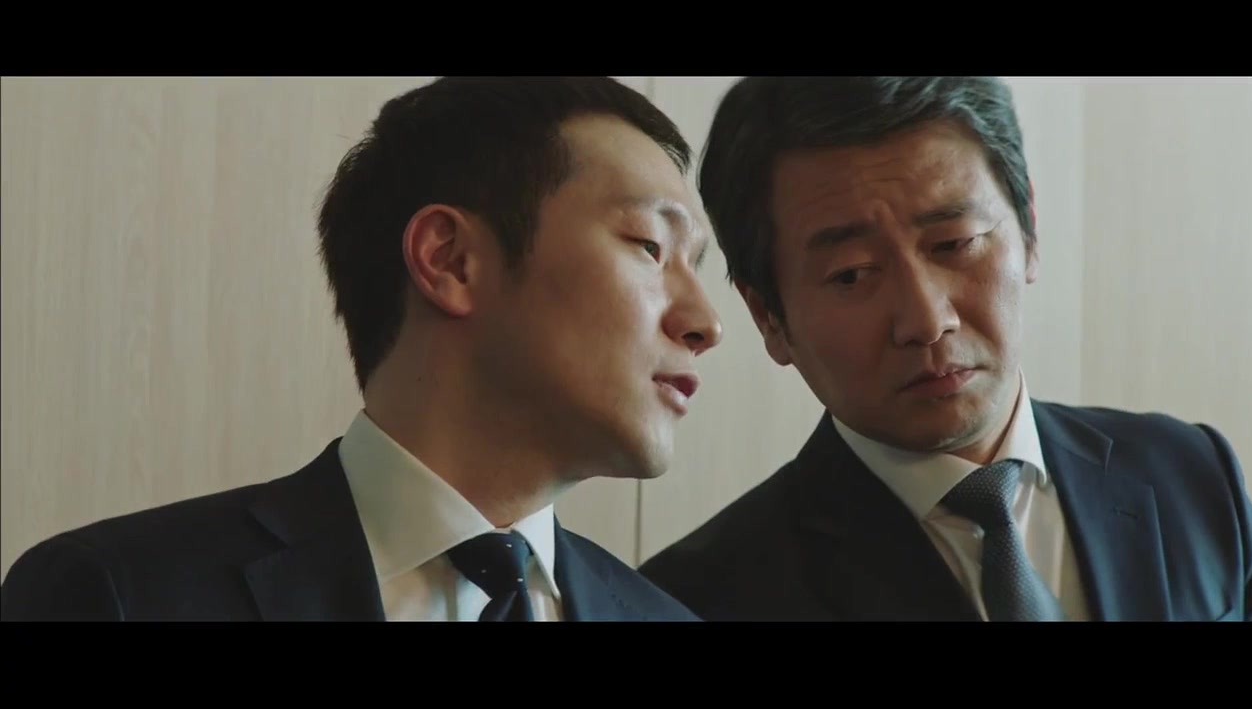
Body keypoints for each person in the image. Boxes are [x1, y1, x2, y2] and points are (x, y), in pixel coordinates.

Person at [1, 76, 722, 622]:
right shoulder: (118, 594)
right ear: (451, 260)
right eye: (650, 247)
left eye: (698, 265)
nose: (705, 322)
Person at [637, 76, 1252, 622]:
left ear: (1028, 231)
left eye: (955, 243)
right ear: (769, 318)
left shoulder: (1192, 477)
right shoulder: (690, 602)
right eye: (852, 274)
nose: (927, 320)